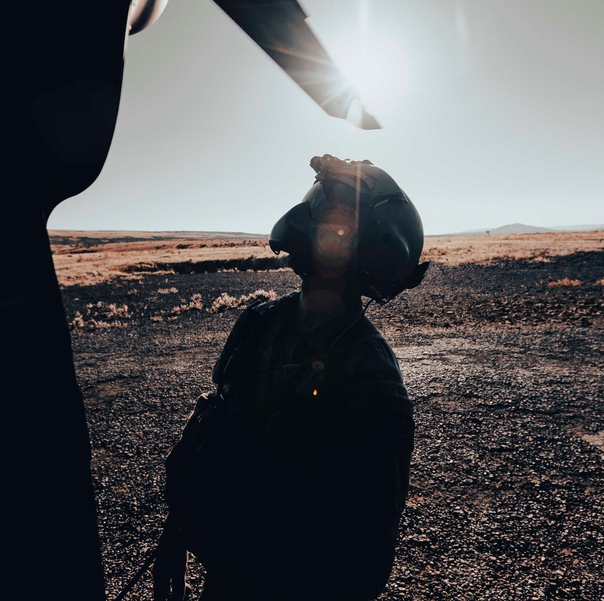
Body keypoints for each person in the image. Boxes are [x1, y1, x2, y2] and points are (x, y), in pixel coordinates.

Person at [154, 154, 429, 601]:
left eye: (337, 221)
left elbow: (368, 551)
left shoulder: (373, 376)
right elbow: (211, 429)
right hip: (225, 577)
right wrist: (175, 536)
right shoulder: (258, 323)